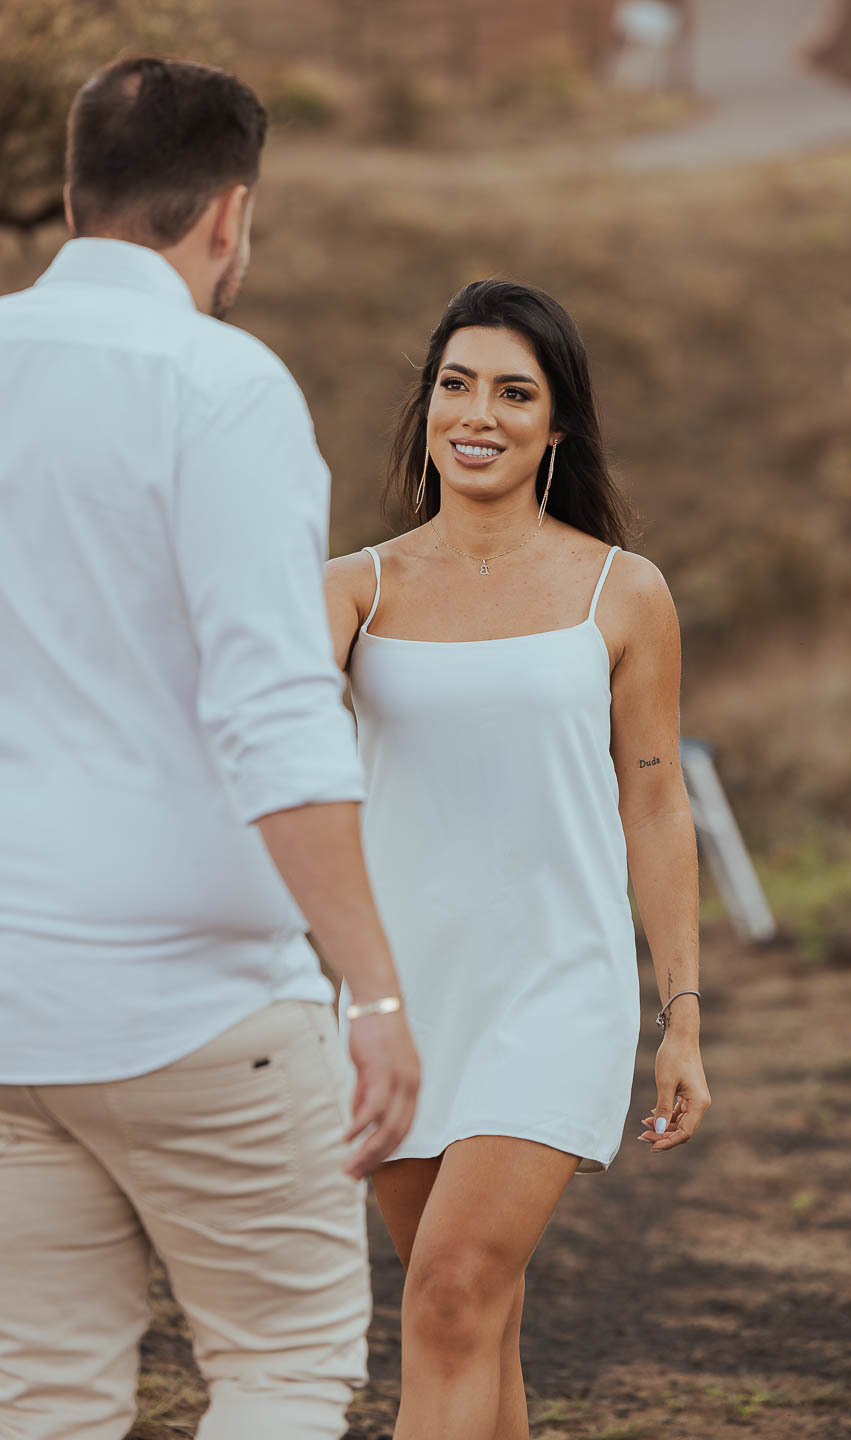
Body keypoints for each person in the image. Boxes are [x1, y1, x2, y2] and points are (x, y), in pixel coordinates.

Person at [0, 55, 419, 1440]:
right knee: (284, 1368)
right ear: (230, 214)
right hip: (196, 1008)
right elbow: (274, 707)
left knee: (40, 1396)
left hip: (9, 1006)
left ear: (72, 194)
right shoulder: (220, 385)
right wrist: (370, 991)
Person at [323, 278, 711, 1440]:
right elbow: (264, 741)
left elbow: (656, 805)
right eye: (455, 384)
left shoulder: (622, 591)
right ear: (427, 406)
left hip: (557, 984)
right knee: (470, 1318)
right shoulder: (356, 587)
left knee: (446, 1298)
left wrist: (680, 1013)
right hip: (398, 995)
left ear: (557, 425)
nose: (476, 413)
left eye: (512, 391)